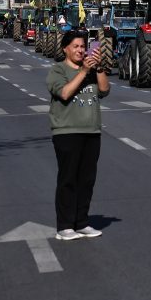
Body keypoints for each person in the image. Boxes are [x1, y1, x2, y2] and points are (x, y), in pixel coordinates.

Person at [47, 31, 110, 241]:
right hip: (67, 131)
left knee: (87, 180)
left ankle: (81, 222)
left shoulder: (92, 70)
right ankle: (65, 226)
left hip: (91, 131)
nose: (80, 50)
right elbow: (64, 93)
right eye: (76, 46)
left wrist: (98, 67)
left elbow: (104, 90)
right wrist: (83, 71)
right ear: (65, 48)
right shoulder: (58, 70)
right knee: (68, 179)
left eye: (83, 46)